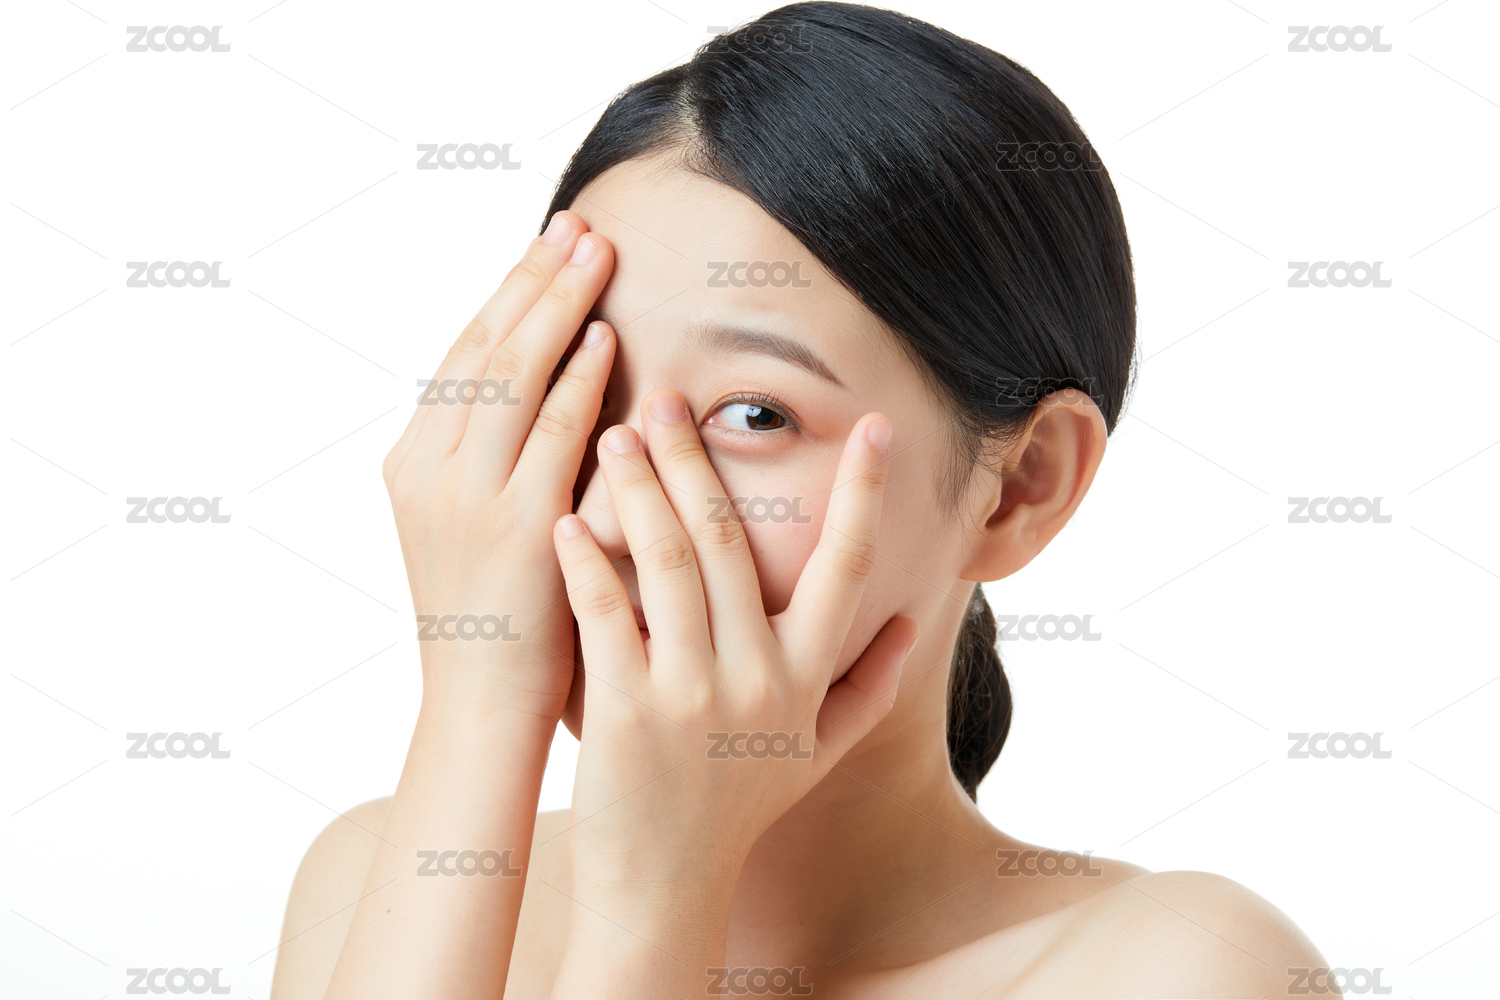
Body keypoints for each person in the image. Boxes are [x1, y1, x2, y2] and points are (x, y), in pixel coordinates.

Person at [270, 4, 1332, 997]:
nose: (608, 517)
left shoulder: (1183, 968)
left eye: (755, 414)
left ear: (1022, 485)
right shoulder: (374, 881)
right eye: (571, 393)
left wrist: (656, 896)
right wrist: (479, 705)